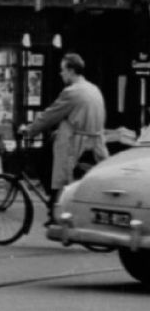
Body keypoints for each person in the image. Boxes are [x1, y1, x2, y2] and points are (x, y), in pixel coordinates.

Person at [24, 53, 107, 209]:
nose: (60, 73)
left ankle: (54, 203)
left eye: (62, 70)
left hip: (74, 145)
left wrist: (29, 131)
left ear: (71, 70)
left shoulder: (72, 92)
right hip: (95, 144)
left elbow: (49, 116)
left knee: (43, 163)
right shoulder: (94, 89)